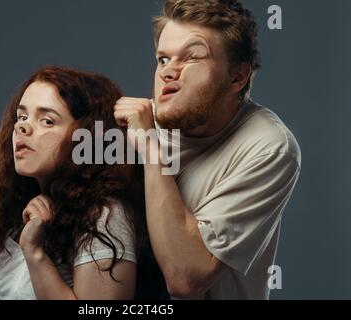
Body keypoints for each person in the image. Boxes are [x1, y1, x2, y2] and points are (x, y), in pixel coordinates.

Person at [114, 0, 301, 299]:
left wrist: (150, 151)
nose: (168, 73)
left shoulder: (269, 146)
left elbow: (186, 278)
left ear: (237, 77)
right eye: (163, 59)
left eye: (191, 59)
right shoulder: (131, 126)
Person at [0, 66, 166, 300]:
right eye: (22, 117)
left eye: (47, 121)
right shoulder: (29, 212)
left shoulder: (104, 217)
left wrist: (36, 255)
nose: (21, 127)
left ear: (87, 137)